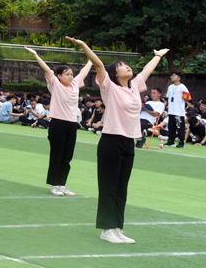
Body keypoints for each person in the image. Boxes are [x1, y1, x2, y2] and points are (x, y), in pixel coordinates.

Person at [67, 36, 167, 244]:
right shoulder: (109, 87)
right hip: (111, 142)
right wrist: (85, 46)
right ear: (114, 73)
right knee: (109, 187)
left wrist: (157, 56)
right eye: (122, 66)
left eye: (127, 65)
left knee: (122, 188)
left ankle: (117, 228)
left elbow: (146, 71)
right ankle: (106, 229)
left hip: (128, 142)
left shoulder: (133, 87)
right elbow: (98, 64)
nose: (127, 67)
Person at [25, 46, 92, 197]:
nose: (70, 76)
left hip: (71, 124)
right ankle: (54, 185)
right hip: (58, 124)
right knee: (57, 155)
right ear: (59, 76)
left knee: (67, 156)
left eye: (71, 74)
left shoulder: (75, 85)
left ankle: (62, 184)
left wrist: (91, 59)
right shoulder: (55, 84)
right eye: (67, 74)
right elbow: (48, 70)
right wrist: (36, 55)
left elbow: (84, 72)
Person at [164, 72, 190, 147]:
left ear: (179, 78)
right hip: (171, 110)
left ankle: (181, 141)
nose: (172, 77)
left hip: (179, 111)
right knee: (171, 126)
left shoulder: (182, 87)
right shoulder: (170, 87)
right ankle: (171, 140)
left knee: (180, 127)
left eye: (174, 76)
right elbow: (168, 98)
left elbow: (188, 98)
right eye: (172, 75)